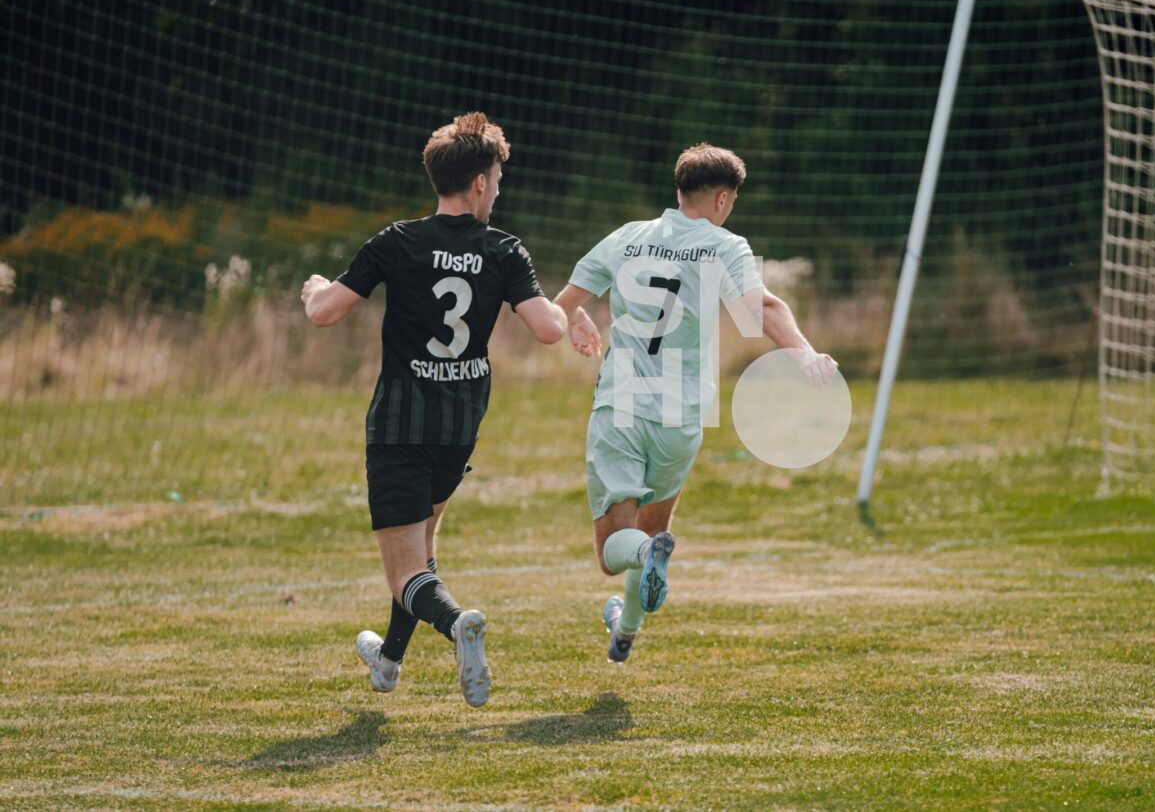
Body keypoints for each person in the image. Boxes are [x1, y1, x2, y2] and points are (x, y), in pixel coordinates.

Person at [300, 111, 572, 706]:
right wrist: (567, 314)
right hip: (459, 427)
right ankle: (388, 661)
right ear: (478, 182)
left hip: (400, 426)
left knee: (405, 571)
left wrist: (314, 287)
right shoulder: (504, 249)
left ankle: (457, 624)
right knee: (419, 553)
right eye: (497, 181)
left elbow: (324, 313)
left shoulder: (398, 241)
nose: (497, 191)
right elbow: (548, 329)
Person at [551, 143, 837, 663]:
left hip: (621, 405)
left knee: (614, 552)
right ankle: (625, 631)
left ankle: (643, 560)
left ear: (680, 190)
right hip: (680, 416)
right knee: (653, 527)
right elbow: (762, 308)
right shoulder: (725, 246)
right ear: (722, 199)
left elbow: (560, 306)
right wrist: (804, 352)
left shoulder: (627, 236)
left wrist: (576, 320)